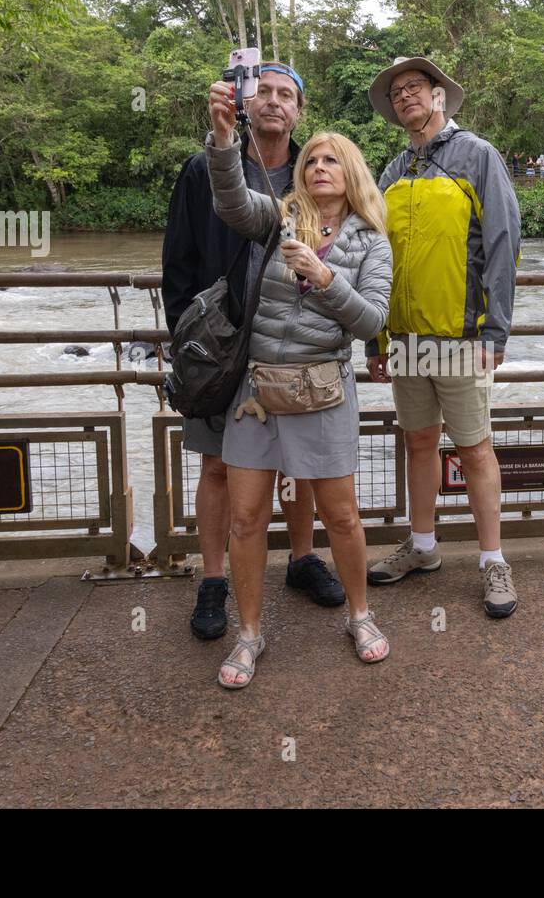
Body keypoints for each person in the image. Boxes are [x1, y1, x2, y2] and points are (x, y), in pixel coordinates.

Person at [204, 77, 394, 688]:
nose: (317, 166)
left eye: (330, 159)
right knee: (246, 519)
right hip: (257, 391)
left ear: (353, 172)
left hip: (324, 390)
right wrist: (224, 139)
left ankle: (361, 616)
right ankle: (250, 633)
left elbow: (369, 322)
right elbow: (232, 204)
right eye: (310, 158)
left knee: (341, 516)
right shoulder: (281, 219)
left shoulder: (372, 244)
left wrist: (324, 277)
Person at [161, 63, 345, 645]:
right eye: (261, 91)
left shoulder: (311, 174)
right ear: (242, 100)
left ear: (299, 110)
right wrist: (188, 334)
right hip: (219, 341)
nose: (272, 102)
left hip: (288, 343)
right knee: (217, 465)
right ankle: (213, 578)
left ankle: (300, 558)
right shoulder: (205, 169)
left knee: (301, 467)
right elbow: (179, 259)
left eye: (285, 95)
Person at [363, 56, 522, 619]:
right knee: (419, 443)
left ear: (438, 97)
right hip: (405, 338)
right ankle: (424, 547)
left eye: (414, 88)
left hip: (461, 335)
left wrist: (496, 328)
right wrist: (377, 340)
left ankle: (492, 560)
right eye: (396, 92)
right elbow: (375, 258)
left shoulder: (477, 157)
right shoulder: (391, 170)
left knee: (476, 448)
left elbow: (503, 243)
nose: (405, 96)